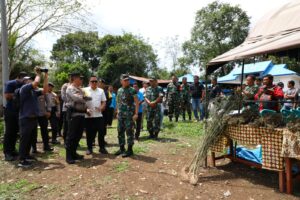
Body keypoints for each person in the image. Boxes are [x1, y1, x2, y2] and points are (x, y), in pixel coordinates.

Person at [18, 68, 49, 167]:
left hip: (33, 119)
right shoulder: (24, 89)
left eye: (31, 79)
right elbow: (35, 83)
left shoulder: (33, 92)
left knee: (29, 139)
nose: (31, 80)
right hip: (25, 118)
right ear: (25, 82)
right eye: (29, 80)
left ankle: (26, 155)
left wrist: (46, 76)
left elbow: (44, 90)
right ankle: (22, 160)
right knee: (24, 139)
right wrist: (38, 74)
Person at [65, 73, 91, 164]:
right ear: (75, 79)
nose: (81, 80)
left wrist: (86, 108)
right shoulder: (70, 88)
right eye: (80, 78)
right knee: (71, 135)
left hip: (81, 114)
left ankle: (74, 153)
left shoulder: (80, 89)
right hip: (73, 114)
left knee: (78, 135)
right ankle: (68, 156)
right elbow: (77, 98)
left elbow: (85, 101)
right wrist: (85, 98)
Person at [3, 71, 27, 161]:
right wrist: (19, 93)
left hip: (19, 112)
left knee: (16, 132)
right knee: (9, 132)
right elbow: (7, 96)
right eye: (24, 79)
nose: (25, 81)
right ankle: (7, 153)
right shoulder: (11, 83)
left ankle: (13, 150)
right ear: (20, 77)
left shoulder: (23, 85)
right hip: (10, 111)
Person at [83, 76, 108, 155]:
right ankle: (89, 148)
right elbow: (82, 102)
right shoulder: (85, 90)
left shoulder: (101, 91)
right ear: (89, 82)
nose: (94, 83)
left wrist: (101, 107)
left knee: (101, 132)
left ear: (97, 82)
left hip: (99, 115)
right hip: (88, 116)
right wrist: (86, 109)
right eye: (92, 81)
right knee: (89, 133)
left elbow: (104, 101)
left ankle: (102, 148)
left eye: (95, 81)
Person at [115, 74, 139, 157]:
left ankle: (129, 150)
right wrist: (117, 111)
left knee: (129, 132)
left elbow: (136, 102)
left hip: (129, 115)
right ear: (121, 81)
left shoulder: (132, 90)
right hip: (121, 115)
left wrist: (136, 114)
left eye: (127, 80)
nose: (127, 81)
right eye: (125, 80)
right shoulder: (119, 90)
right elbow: (118, 101)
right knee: (120, 131)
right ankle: (121, 148)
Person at [31, 87, 53, 153]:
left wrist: (49, 110)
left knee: (44, 131)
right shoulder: (29, 90)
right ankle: (34, 148)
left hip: (43, 114)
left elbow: (48, 101)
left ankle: (46, 146)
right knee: (33, 131)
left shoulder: (42, 90)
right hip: (33, 115)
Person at [98, 79, 110, 144]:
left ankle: (102, 140)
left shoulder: (107, 92)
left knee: (103, 127)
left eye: (102, 83)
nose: (100, 84)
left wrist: (104, 107)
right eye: (99, 83)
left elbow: (109, 101)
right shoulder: (96, 91)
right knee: (94, 126)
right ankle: (93, 141)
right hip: (96, 111)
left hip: (104, 112)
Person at [61, 75, 72, 142]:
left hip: (75, 109)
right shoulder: (65, 85)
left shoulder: (77, 86)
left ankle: (71, 139)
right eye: (71, 77)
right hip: (66, 108)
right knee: (66, 125)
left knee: (73, 125)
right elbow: (63, 96)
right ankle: (65, 140)